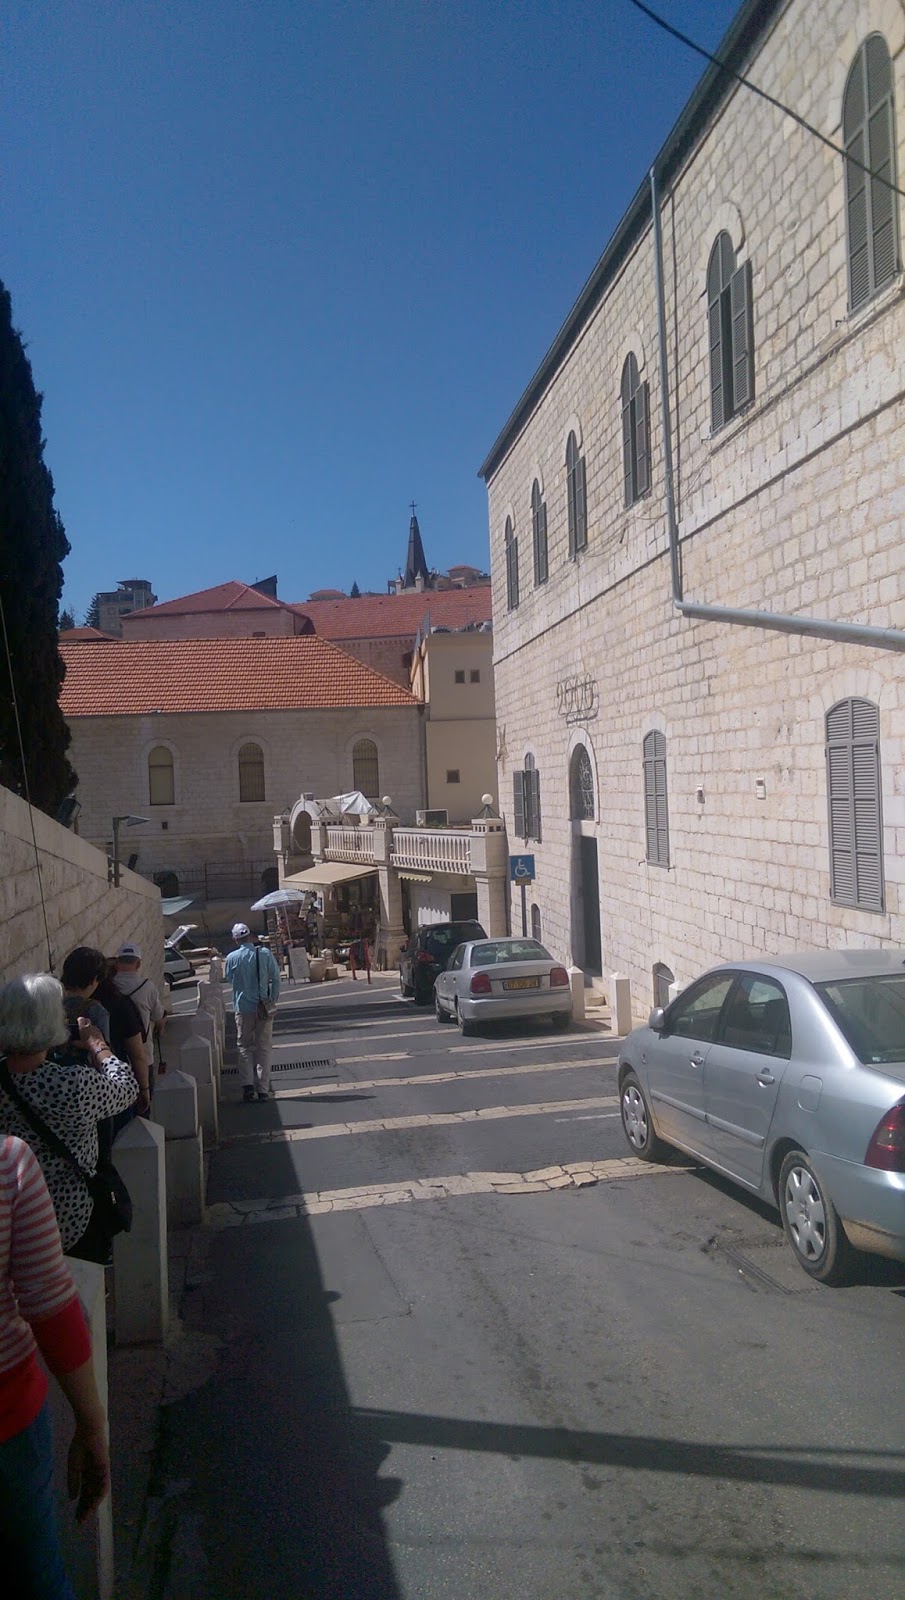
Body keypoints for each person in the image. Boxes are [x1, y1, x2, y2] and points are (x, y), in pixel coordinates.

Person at [0, 1132, 110, 1597]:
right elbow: (50, 1305)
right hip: (8, 1424)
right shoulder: (8, 1162)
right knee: (37, 1579)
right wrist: (91, 1424)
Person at [0, 976, 137, 1257]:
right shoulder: (73, 1084)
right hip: (71, 1221)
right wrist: (98, 1046)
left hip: (14, 1226)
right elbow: (126, 1088)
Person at [224, 923, 280, 1104]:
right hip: (263, 1006)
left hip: (243, 1007)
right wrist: (272, 998)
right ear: (250, 936)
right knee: (263, 1047)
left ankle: (247, 1085)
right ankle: (263, 1089)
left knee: (243, 1046)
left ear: (235, 939)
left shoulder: (232, 958)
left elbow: (229, 979)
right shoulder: (264, 954)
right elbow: (276, 978)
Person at [95, 961, 151, 1119]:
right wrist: (144, 1088)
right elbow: (137, 1054)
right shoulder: (120, 1004)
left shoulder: (67, 1007)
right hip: (117, 1083)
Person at [112, 943, 165, 1094]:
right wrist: (160, 1027)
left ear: (117, 963)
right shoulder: (147, 987)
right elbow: (158, 1016)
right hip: (143, 1054)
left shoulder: (109, 987)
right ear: (139, 963)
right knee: (145, 1101)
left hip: (114, 1057)